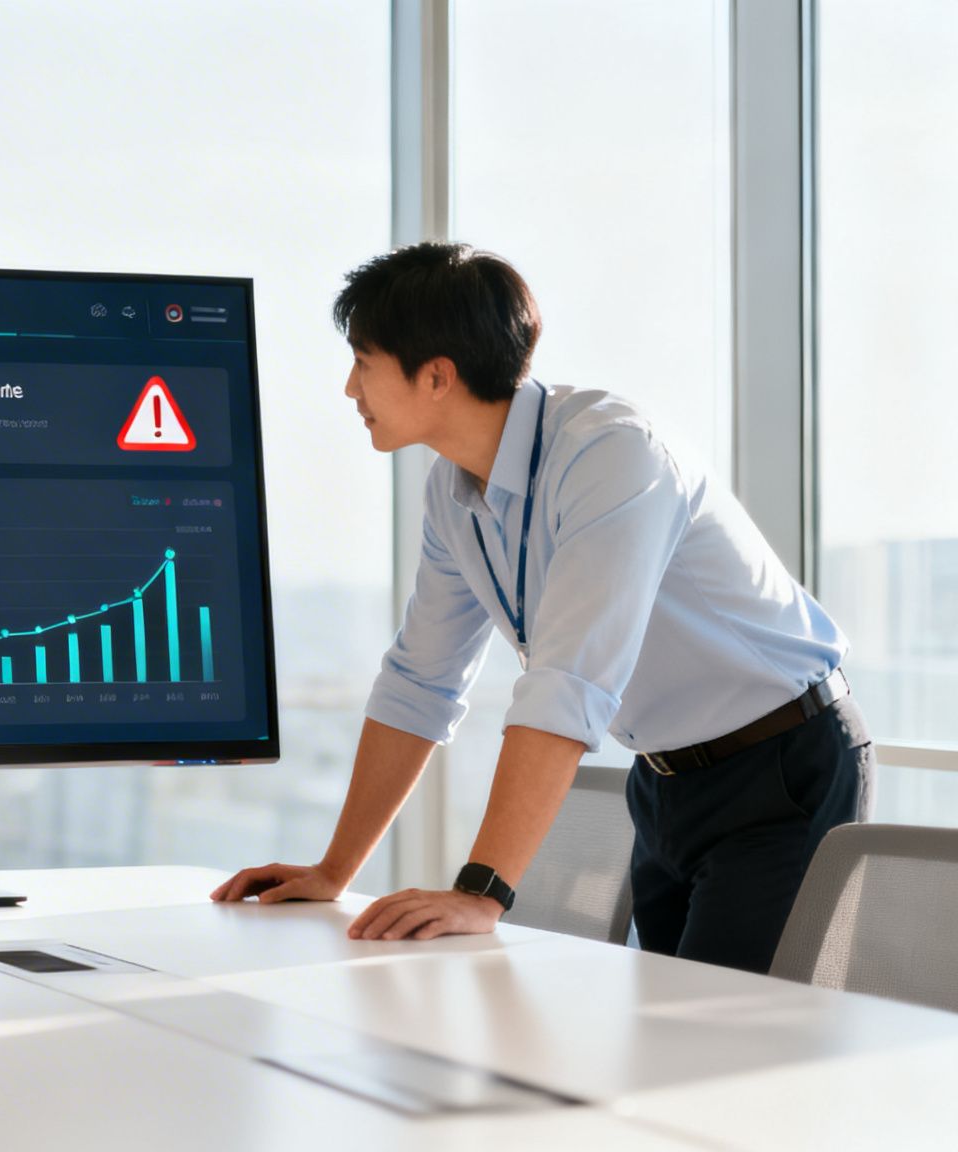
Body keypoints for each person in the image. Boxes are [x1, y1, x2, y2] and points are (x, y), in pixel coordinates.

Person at [212, 242, 867, 976]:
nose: (348, 388)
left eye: (363, 362)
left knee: (716, 1027)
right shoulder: (452, 494)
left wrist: (481, 892)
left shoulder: (613, 455)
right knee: (665, 1023)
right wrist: (334, 871)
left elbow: (568, 682)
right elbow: (420, 682)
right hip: (664, 779)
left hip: (780, 766)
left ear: (436, 376)